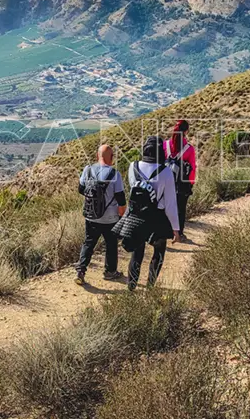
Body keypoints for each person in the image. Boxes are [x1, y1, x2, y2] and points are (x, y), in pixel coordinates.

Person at [112, 136, 181, 291]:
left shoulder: (132, 166)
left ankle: (131, 287)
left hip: (136, 216)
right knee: (158, 253)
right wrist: (175, 229)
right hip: (157, 218)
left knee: (137, 254)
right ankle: (150, 287)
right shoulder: (166, 172)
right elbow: (170, 203)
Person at [74, 144, 127, 285]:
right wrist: (121, 217)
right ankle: (110, 272)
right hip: (110, 218)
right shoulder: (115, 174)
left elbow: (81, 189)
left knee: (88, 243)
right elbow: (121, 199)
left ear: (97, 156)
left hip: (91, 215)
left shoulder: (88, 170)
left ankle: (81, 271)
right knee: (111, 244)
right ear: (112, 158)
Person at [164, 120, 197, 242]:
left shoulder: (165, 145)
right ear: (186, 131)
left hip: (166, 183)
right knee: (180, 209)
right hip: (181, 184)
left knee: (166, 207)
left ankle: (165, 231)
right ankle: (179, 233)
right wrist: (191, 183)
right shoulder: (189, 149)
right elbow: (192, 168)